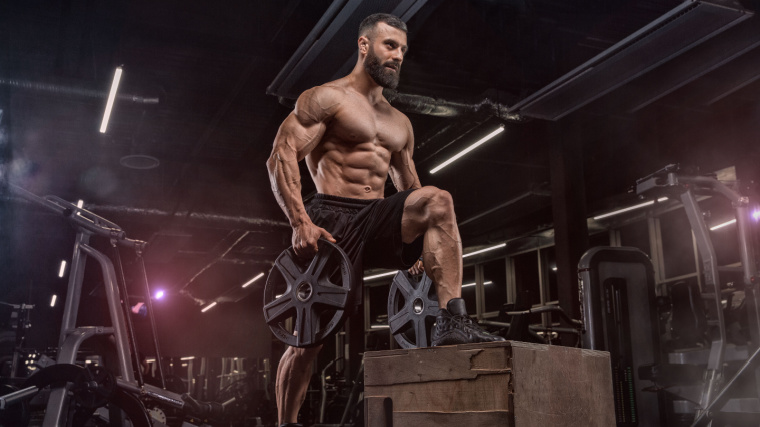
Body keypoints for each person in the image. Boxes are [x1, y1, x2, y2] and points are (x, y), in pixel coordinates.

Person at [266, 13, 504, 427]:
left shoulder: (400, 123)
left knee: (438, 200)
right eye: (389, 46)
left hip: (375, 216)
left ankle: (453, 319)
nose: (397, 57)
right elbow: (281, 156)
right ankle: (285, 423)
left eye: (402, 51)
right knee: (308, 343)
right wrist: (299, 221)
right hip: (330, 220)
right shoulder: (327, 98)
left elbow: (409, 186)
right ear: (363, 46)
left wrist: (419, 242)